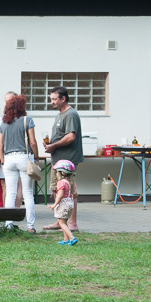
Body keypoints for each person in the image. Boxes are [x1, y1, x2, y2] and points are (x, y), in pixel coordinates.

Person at [44, 86, 83, 232]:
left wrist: (54, 146)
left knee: (68, 190)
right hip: (58, 159)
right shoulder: (59, 114)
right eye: (51, 99)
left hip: (67, 160)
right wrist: (50, 144)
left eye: (55, 99)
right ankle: (60, 221)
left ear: (63, 99)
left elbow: (71, 136)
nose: (52, 102)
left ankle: (72, 224)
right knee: (57, 189)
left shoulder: (70, 114)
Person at [0, 94, 38, 233]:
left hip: (8, 159)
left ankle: (8, 224)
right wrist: (36, 157)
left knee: (10, 193)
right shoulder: (27, 120)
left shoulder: (3, 123)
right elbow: (32, 142)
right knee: (28, 193)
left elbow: (0, 146)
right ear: (22, 107)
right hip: (24, 157)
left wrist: (2, 162)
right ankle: (30, 226)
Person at [49, 159, 78, 245]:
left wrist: (54, 204)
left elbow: (60, 195)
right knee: (65, 222)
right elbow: (74, 194)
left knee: (61, 223)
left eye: (57, 172)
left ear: (62, 173)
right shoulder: (71, 182)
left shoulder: (61, 183)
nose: (56, 174)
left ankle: (72, 238)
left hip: (63, 204)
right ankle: (66, 240)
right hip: (70, 204)